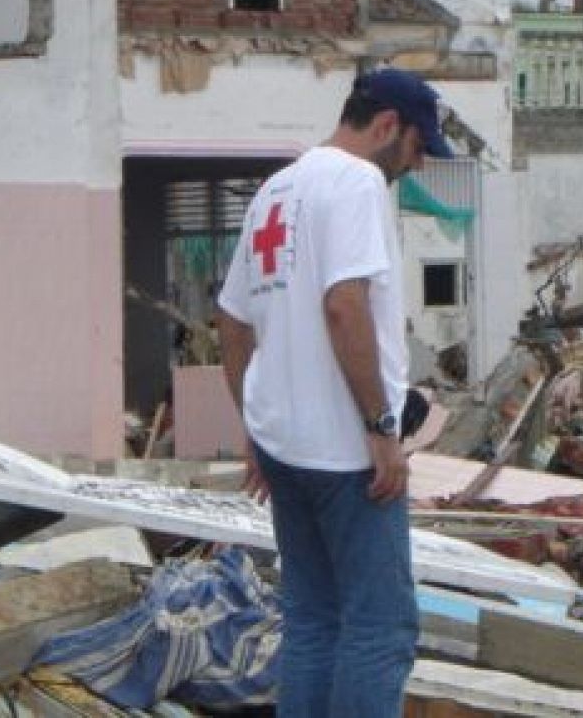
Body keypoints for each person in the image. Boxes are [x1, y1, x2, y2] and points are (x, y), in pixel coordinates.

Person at [216, 67, 454, 717]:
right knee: (381, 627)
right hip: (346, 452)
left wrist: (254, 427)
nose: (416, 163)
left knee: (314, 618)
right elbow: (344, 306)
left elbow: (232, 321)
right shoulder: (357, 182)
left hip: (285, 450)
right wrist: (382, 428)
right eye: (414, 147)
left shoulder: (277, 188)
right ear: (385, 126)